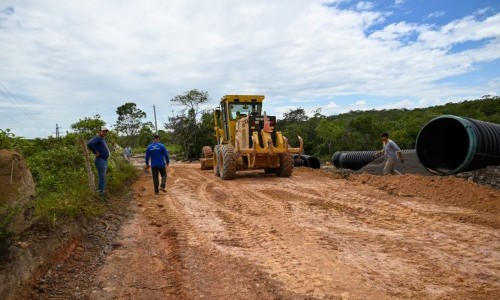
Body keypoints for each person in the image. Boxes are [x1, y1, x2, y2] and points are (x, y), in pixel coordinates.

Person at [87, 126, 110, 198]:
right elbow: (90, 143)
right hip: (100, 160)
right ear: (99, 131)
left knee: (103, 177)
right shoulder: (97, 138)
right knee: (102, 177)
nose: (104, 133)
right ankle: (101, 195)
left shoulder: (102, 139)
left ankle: (101, 192)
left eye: (105, 131)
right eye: (103, 131)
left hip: (103, 160)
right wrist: (96, 151)